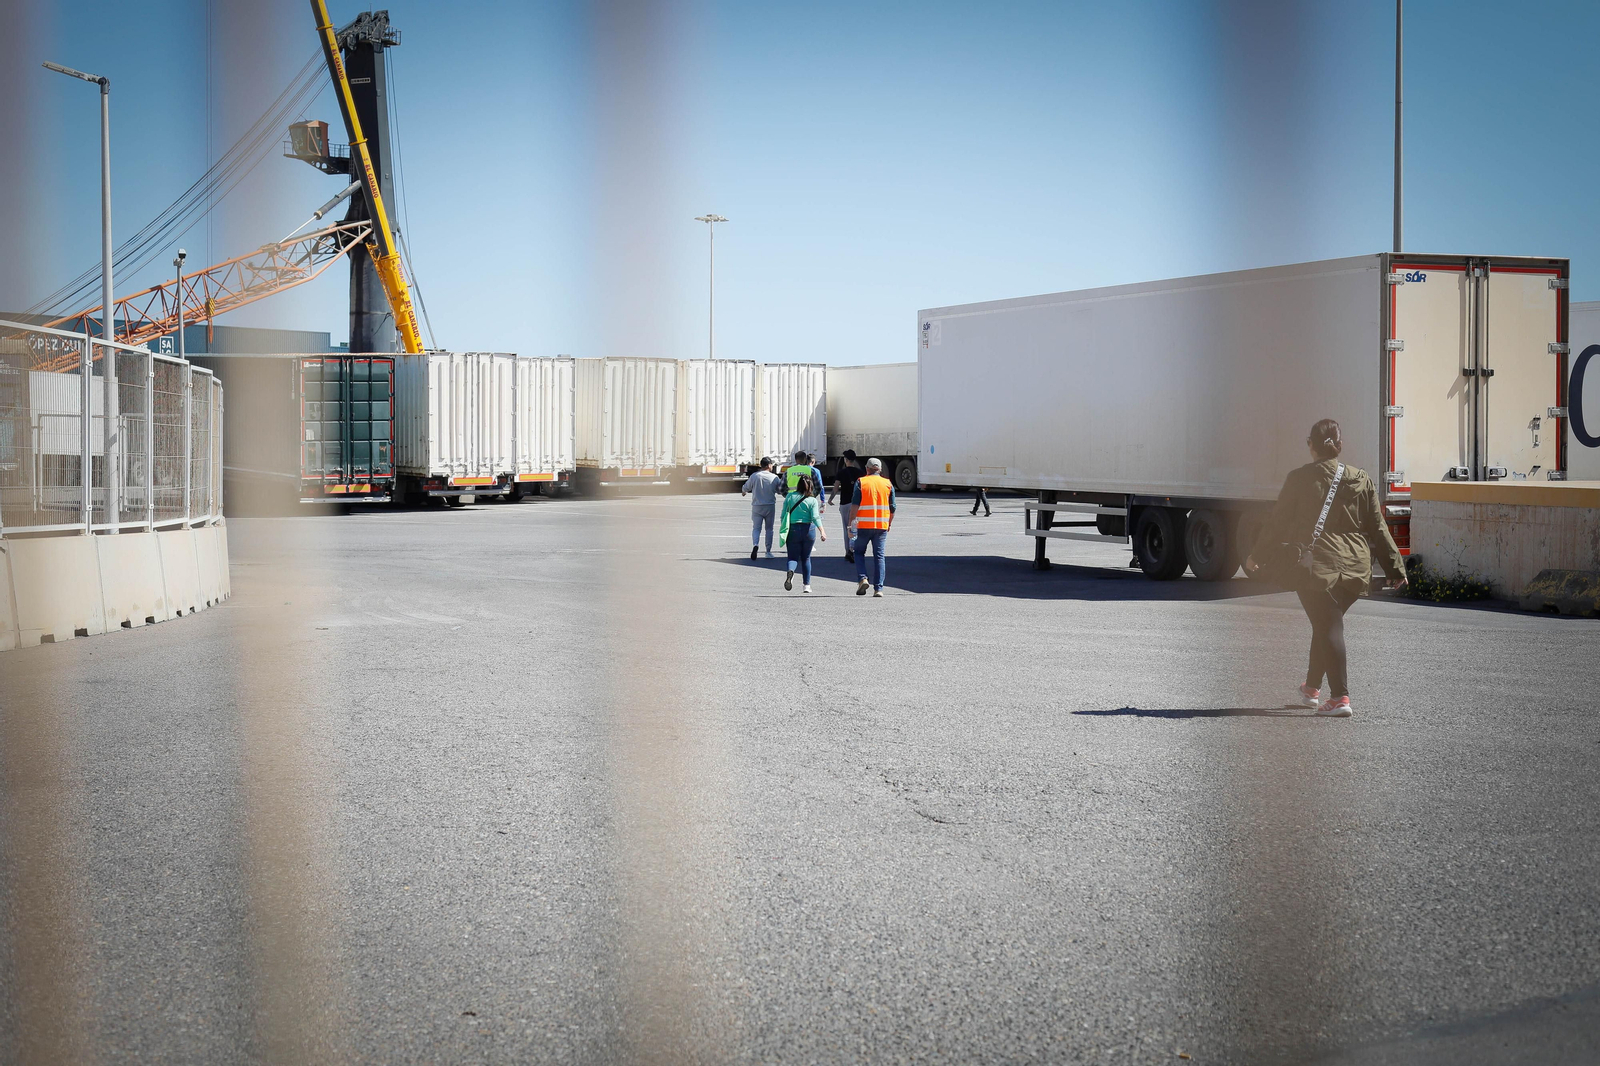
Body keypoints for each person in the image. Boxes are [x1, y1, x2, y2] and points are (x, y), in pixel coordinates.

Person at [1244, 418, 1407, 718]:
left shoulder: (1299, 478)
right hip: (1356, 568)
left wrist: (1256, 556)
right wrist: (1395, 569)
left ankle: (1340, 698)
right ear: (1340, 446)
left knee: (1329, 626)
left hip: (1317, 567)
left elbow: (1277, 523)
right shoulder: (1362, 478)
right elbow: (1378, 527)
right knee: (1324, 625)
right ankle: (1311, 690)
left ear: (1311, 445)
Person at [851, 457, 895, 597]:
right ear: (880, 469)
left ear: (867, 469)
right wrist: (889, 523)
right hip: (881, 526)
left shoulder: (861, 482)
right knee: (879, 556)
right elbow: (893, 507)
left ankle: (863, 578)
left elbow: (854, 506)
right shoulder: (888, 484)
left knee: (858, 553)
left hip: (863, 525)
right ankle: (879, 589)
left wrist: (850, 525)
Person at [779, 474, 827, 593]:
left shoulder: (790, 496)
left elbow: (783, 515)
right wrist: (822, 531)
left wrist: (784, 526)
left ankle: (791, 571)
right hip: (808, 530)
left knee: (792, 557)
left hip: (793, 529)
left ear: (798, 485)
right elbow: (815, 517)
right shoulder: (812, 500)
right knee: (806, 558)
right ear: (810, 486)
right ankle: (806, 585)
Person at [740, 457, 781, 560]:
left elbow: (746, 487)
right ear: (768, 465)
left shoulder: (755, 476)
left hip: (757, 506)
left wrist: (744, 491)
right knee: (769, 529)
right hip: (770, 505)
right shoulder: (774, 477)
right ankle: (768, 551)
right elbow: (780, 490)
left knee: (756, 528)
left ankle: (755, 544)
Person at [831, 450, 863, 562]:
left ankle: (848, 551)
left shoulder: (841, 472)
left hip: (844, 503)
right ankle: (855, 550)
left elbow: (835, 487)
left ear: (846, 460)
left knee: (846, 528)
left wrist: (830, 499)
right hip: (857, 504)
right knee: (855, 527)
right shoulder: (860, 473)